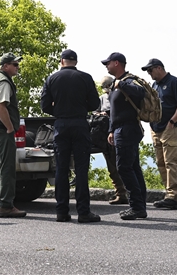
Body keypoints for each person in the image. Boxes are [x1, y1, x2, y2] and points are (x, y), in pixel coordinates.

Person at [41, 49, 102, 223]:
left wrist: (58, 110)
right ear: (75, 62)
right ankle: (83, 212)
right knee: (81, 169)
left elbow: (44, 105)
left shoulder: (51, 79)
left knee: (61, 169)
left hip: (61, 124)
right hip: (80, 124)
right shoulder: (85, 78)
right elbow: (95, 103)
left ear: (61, 61)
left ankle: (62, 212)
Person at [103, 52, 149, 220]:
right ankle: (140, 205)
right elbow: (115, 111)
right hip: (120, 129)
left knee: (124, 167)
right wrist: (111, 130)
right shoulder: (116, 84)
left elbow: (140, 92)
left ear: (117, 63)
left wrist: (121, 84)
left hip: (128, 129)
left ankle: (136, 207)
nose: (106, 66)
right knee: (133, 167)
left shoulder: (128, 80)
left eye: (108, 63)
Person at [141, 58, 177, 210]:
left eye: (150, 70)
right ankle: (168, 194)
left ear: (159, 68)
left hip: (170, 128)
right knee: (161, 162)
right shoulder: (155, 85)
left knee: (171, 162)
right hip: (156, 128)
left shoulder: (175, 82)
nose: (149, 73)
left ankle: (173, 196)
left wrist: (172, 122)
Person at [0, 53, 26, 218]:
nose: (17, 67)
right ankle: (6, 205)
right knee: (7, 168)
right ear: (5, 66)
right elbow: (1, 106)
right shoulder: (3, 81)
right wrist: (10, 127)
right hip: (1, 130)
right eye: (14, 64)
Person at [94, 75, 128, 205]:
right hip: (105, 136)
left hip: (119, 134)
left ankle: (129, 192)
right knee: (112, 167)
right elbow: (95, 113)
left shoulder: (119, 95)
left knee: (123, 165)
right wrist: (101, 114)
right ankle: (120, 193)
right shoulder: (101, 99)